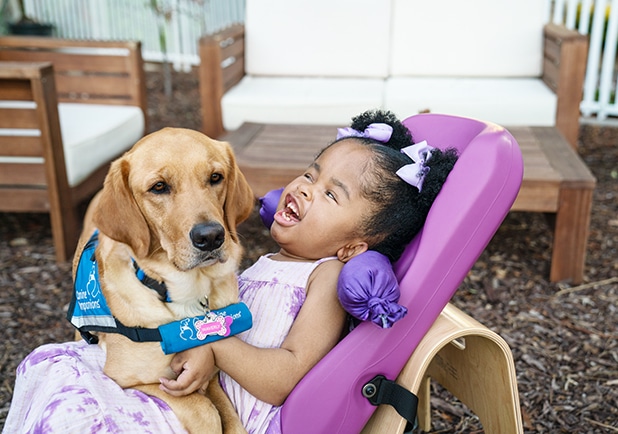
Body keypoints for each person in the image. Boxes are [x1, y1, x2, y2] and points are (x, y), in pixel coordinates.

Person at [3, 109, 458, 433]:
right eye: (309, 174)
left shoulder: (327, 277)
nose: (302, 188)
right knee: (50, 366)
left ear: (355, 246)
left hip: (247, 411)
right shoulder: (264, 262)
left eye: (330, 195)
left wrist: (207, 341)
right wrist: (206, 347)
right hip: (200, 383)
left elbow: (279, 376)